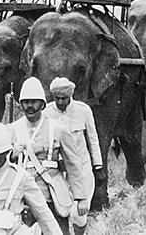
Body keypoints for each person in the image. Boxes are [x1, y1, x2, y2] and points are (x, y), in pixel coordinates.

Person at [8, 78, 89, 235]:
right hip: (22, 196)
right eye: (26, 102)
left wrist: (81, 198)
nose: (29, 106)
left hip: (51, 194)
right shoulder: (11, 130)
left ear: (42, 104)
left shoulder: (59, 129)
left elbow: (73, 165)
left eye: (34, 102)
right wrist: (12, 155)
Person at [43, 78, 102, 235]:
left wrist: (98, 165)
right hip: (58, 172)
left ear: (71, 95)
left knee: (79, 214)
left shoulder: (83, 111)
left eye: (64, 98)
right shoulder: (46, 113)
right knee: (60, 211)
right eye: (57, 98)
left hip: (82, 169)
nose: (61, 102)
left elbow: (93, 138)